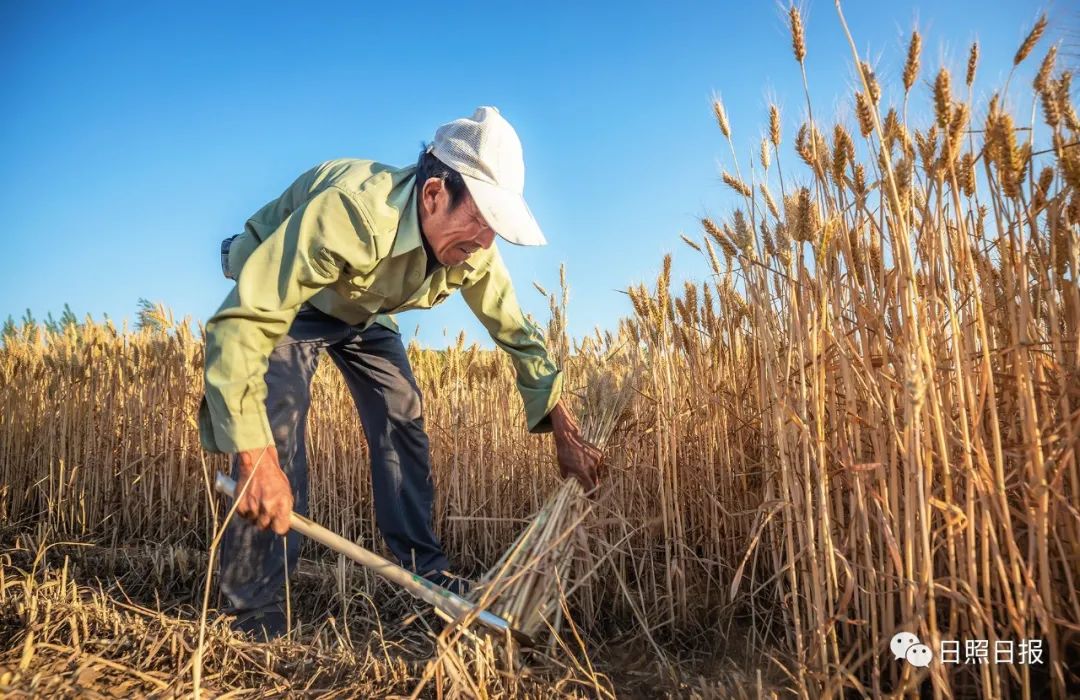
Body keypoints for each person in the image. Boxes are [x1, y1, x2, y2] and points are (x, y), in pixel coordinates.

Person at [199, 106, 604, 638]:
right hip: (292, 292)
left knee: (402, 416)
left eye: (496, 230)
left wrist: (563, 428)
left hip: (364, 306)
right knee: (274, 435)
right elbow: (243, 325)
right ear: (434, 193)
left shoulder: (473, 252)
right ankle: (253, 607)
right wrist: (253, 456)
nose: (486, 242)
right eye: (481, 220)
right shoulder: (352, 214)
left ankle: (423, 575)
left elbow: (516, 332)